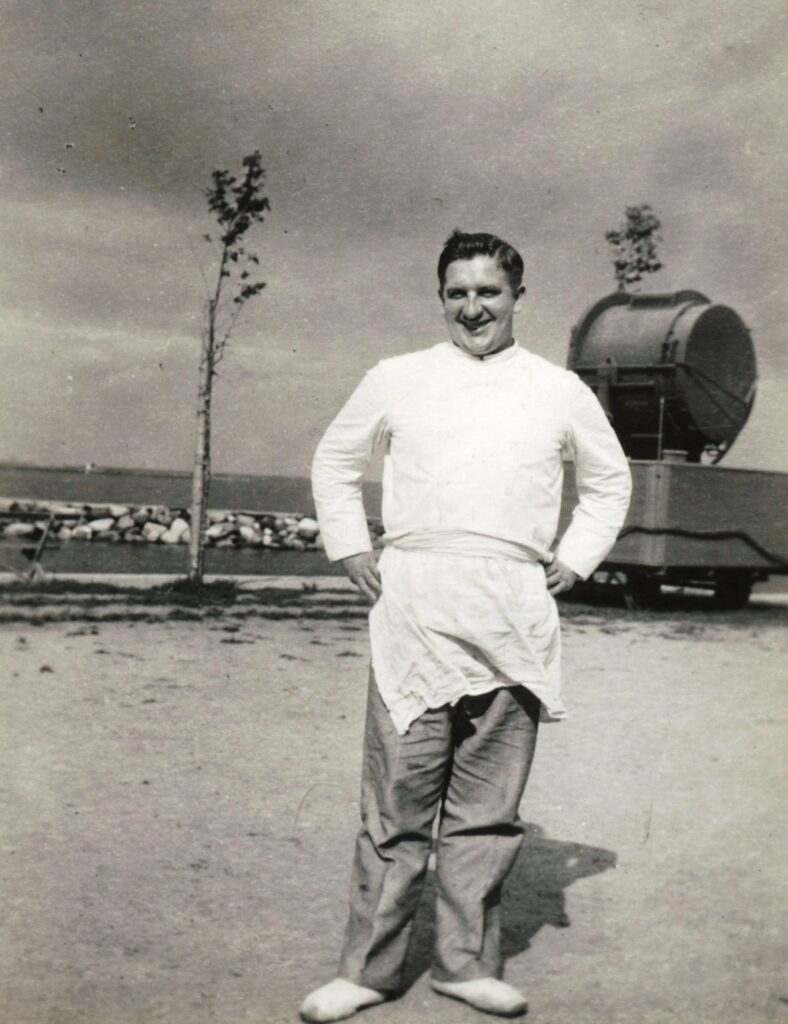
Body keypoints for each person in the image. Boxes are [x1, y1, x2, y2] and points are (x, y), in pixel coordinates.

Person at [301, 230, 631, 1022]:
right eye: (458, 293)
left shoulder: (559, 391)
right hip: (415, 606)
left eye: (489, 292)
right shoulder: (398, 377)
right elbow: (335, 463)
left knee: (486, 811)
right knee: (396, 808)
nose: (473, 307)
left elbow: (609, 482)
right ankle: (368, 972)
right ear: (441, 298)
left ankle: (464, 963)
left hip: (514, 611)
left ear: (518, 297)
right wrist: (350, 548)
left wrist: (576, 559)